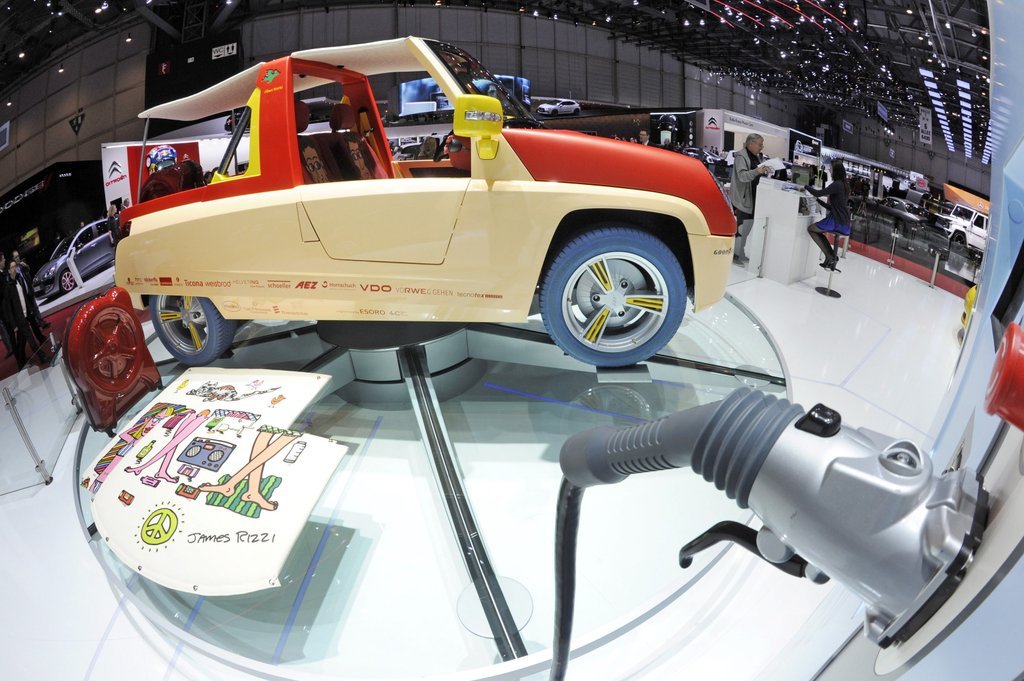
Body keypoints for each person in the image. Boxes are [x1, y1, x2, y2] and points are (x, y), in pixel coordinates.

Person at [730, 133, 772, 265]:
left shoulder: (755, 157)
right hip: (743, 199)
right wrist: (757, 171)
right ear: (751, 143)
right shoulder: (741, 157)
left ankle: (740, 252)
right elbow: (742, 176)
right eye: (760, 144)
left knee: (747, 227)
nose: (761, 147)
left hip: (753, 198)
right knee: (741, 227)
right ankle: (735, 255)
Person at [804, 158, 852, 271]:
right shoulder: (844, 185)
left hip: (837, 222)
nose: (829, 170)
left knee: (811, 229)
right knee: (817, 231)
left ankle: (830, 256)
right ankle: (831, 257)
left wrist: (806, 186)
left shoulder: (837, 184)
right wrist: (818, 201)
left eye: (831, 168)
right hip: (843, 221)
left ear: (836, 170)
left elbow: (818, 193)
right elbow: (833, 207)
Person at [2, 260, 50, 369]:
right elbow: (9, 309)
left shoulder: (19, 281)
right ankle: (42, 357)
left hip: (27, 314)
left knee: (21, 341)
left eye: (15, 266)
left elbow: (24, 298)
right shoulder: (8, 288)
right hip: (20, 319)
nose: (15, 269)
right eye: (12, 267)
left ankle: (20, 362)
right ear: (9, 271)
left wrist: (30, 310)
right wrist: (14, 325)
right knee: (31, 339)